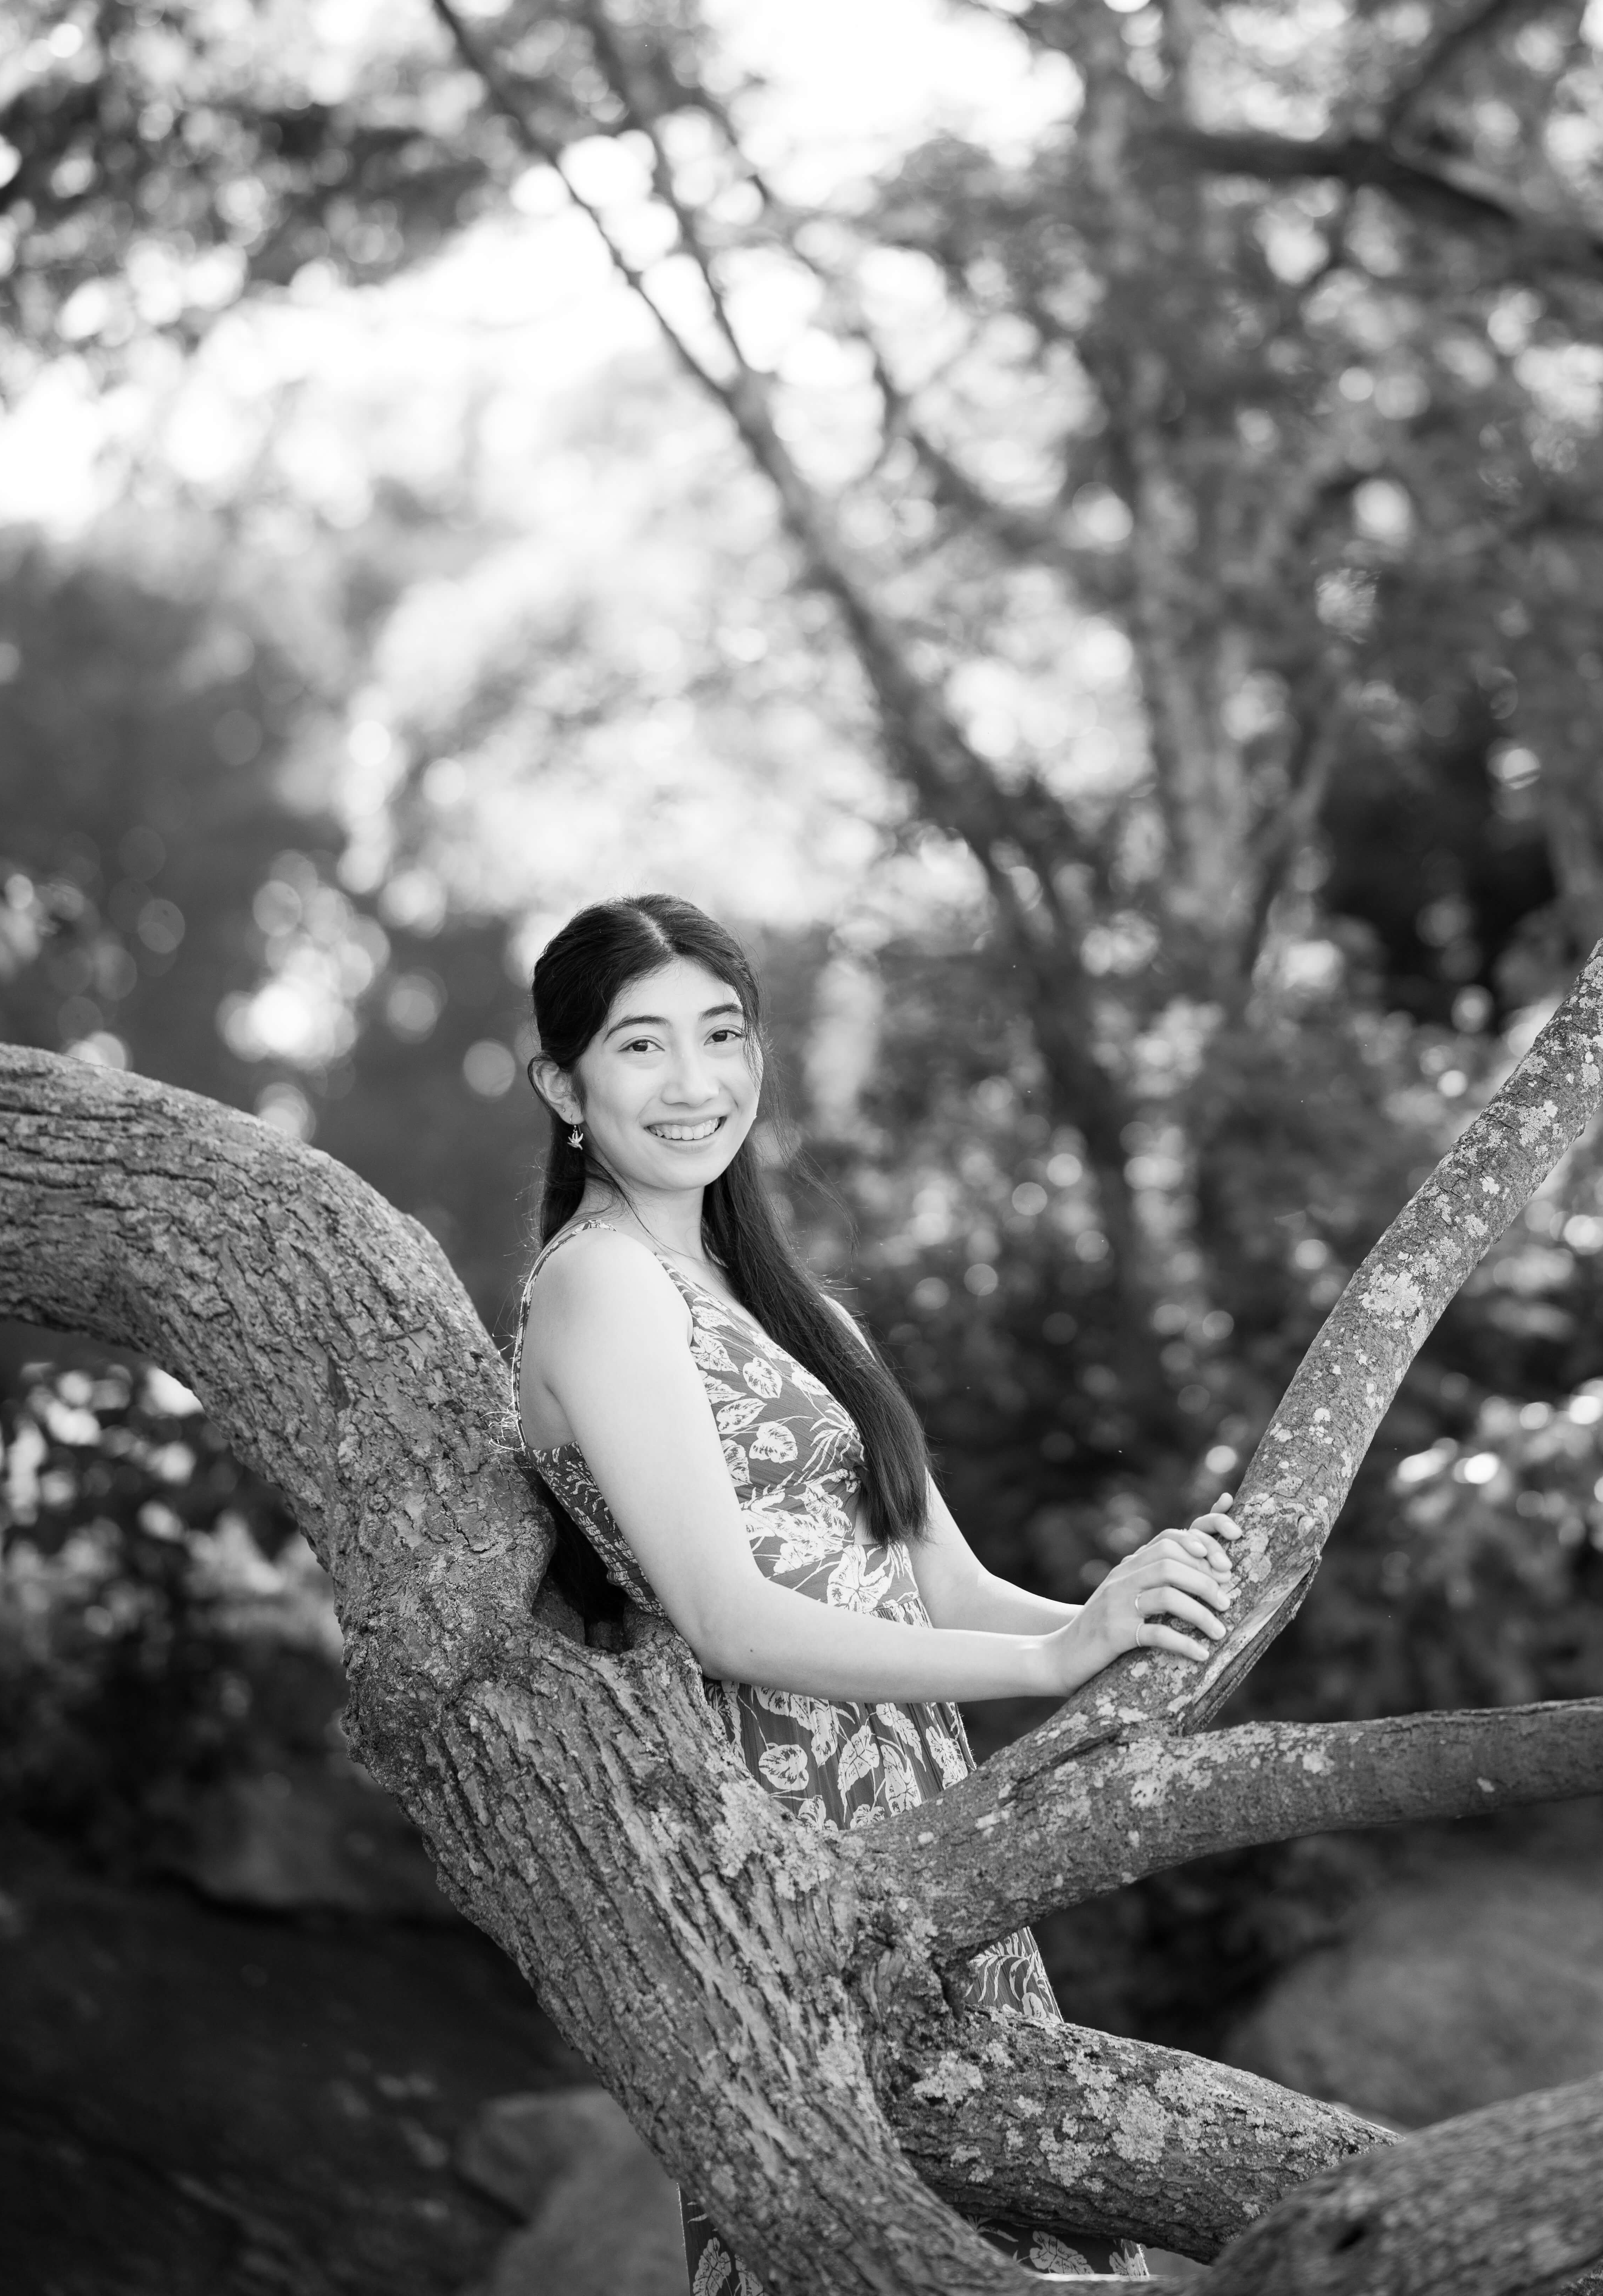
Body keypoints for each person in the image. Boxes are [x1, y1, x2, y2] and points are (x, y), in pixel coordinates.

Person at [516, 893, 1240, 2291]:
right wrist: (1050, 1669)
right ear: (563, 1085)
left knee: (1045, 2245)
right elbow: (724, 1618)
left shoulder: (796, 1311)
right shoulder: (598, 1289)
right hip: (788, 1863)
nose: (695, 1083)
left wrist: (1135, 1616)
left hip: (933, 1848)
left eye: (722, 1036)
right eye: (640, 1047)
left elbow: (941, 1586)